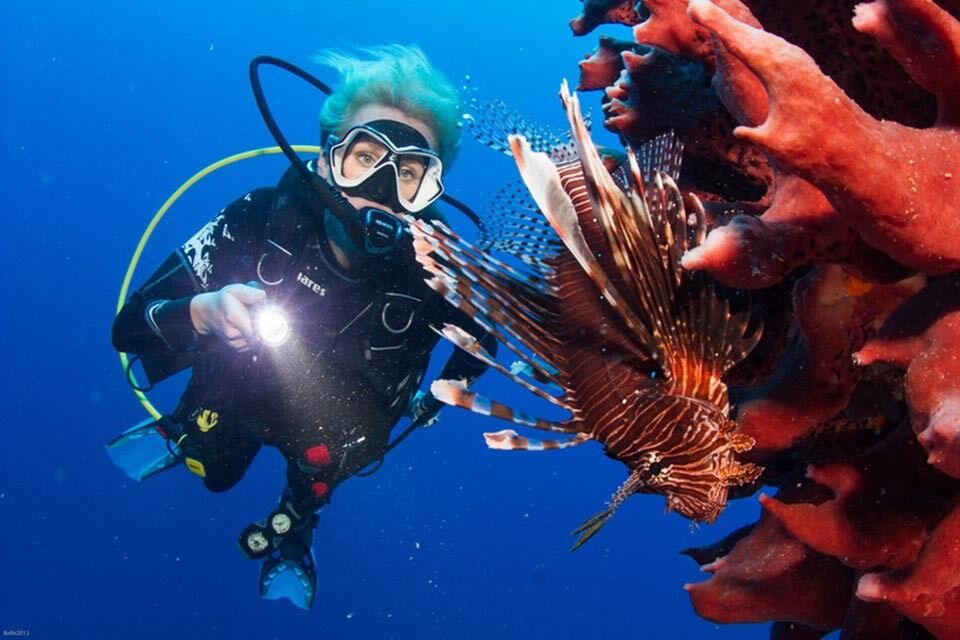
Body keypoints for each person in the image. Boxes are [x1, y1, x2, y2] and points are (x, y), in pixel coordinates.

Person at [109, 45, 494, 609]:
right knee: (215, 470)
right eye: (366, 157)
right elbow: (128, 330)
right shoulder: (257, 218)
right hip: (233, 395)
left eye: (409, 173)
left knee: (307, 495)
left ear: (427, 195)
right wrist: (200, 312)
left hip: (333, 441)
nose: (382, 189)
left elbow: (487, 340)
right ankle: (181, 430)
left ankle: (296, 535)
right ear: (324, 161)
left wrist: (440, 397)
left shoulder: (439, 275)